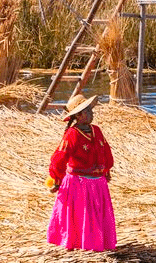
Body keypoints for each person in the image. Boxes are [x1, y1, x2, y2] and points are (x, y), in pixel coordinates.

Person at [47, 94, 116, 251]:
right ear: (78, 115)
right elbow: (59, 158)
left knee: (96, 216)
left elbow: (105, 151)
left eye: (91, 110)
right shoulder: (72, 134)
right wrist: (57, 180)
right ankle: (79, 244)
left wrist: (106, 170)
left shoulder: (96, 130)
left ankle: (97, 244)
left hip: (98, 183)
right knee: (81, 216)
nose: (92, 113)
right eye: (88, 111)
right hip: (78, 184)